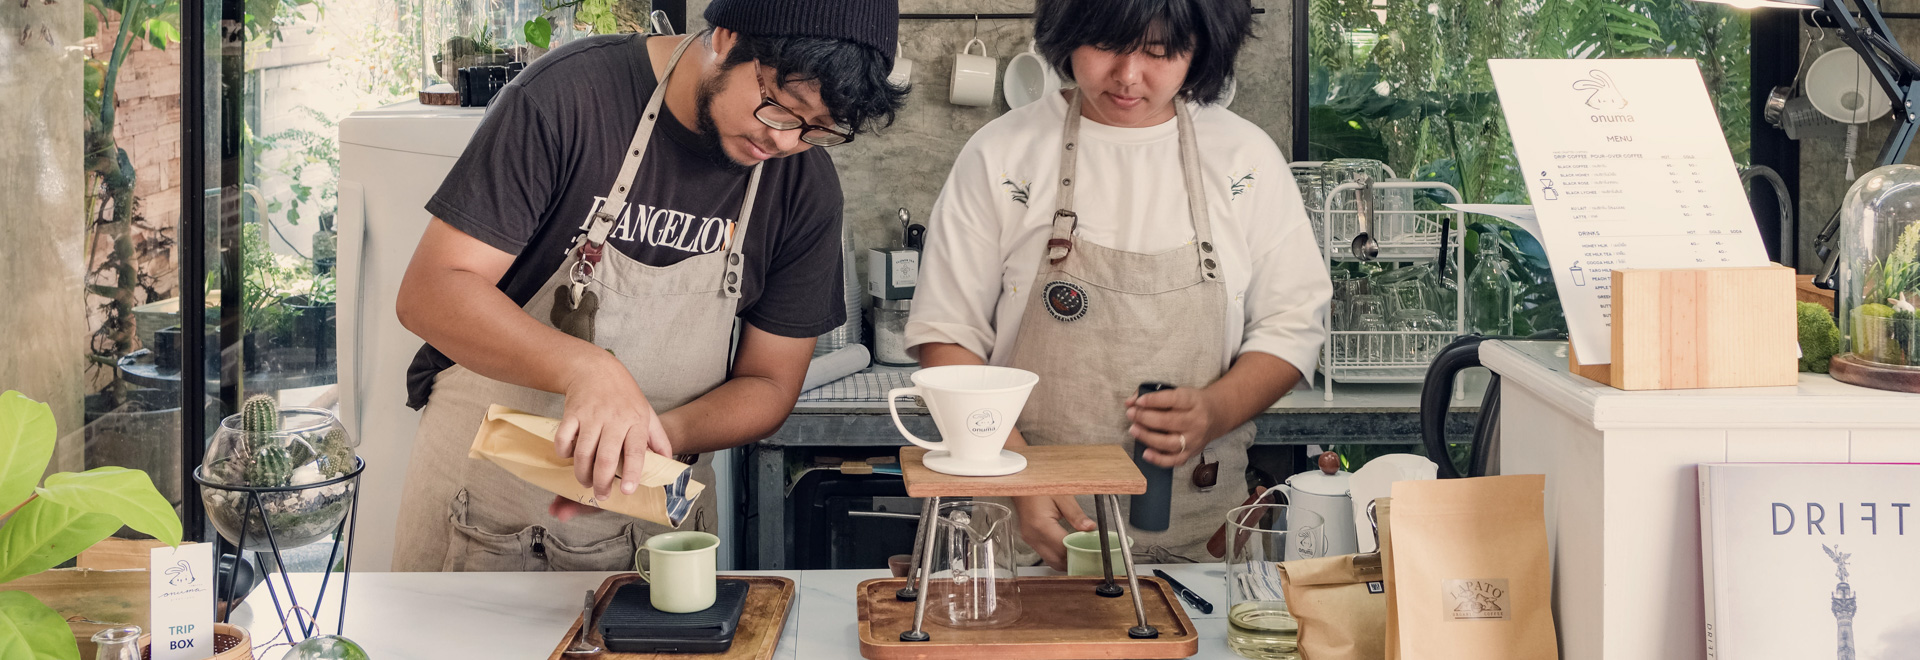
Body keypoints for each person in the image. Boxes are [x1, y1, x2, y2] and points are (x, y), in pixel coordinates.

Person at [390, 0, 908, 572]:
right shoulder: (570, 97)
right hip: (485, 515)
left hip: (661, 524)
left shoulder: (803, 186)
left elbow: (769, 382)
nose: (785, 142)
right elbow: (432, 292)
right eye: (781, 110)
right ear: (726, 37)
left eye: (819, 129)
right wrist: (586, 369)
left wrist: (653, 440)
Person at [906, 0, 1330, 569]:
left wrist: (1214, 410)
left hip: (1197, 547)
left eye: (1159, 51)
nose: (1128, 76)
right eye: (1106, 45)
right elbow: (946, 336)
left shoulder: (1243, 159)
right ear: (1067, 33)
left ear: (1201, 46)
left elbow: (1292, 326)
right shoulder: (1003, 154)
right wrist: (1020, 480)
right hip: (1018, 539)